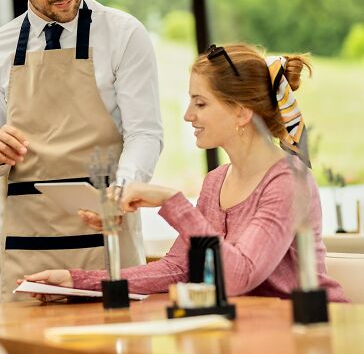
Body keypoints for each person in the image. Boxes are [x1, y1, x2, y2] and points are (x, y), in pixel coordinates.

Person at [23, 43, 347, 302]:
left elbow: (236, 277)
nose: (188, 115)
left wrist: (172, 201)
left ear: (241, 111)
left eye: (200, 103)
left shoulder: (287, 181)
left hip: (312, 336)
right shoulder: (216, 181)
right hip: (252, 330)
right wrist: (77, 282)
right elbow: (178, 268)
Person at [0, 0, 163, 302]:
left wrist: (121, 191)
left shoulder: (124, 35)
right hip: (30, 250)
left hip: (107, 240)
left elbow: (145, 133)